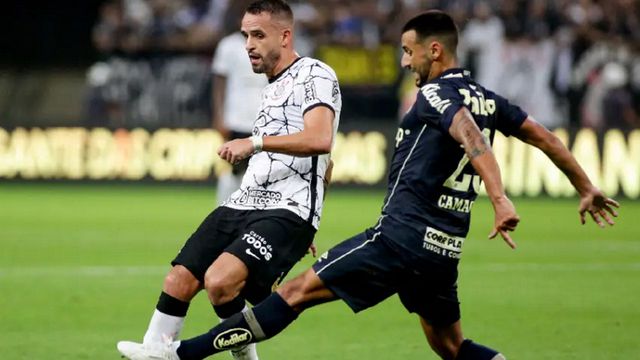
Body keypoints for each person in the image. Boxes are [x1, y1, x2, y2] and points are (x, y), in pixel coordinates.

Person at [128, 10, 620, 360]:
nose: (404, 63)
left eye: (408, 53)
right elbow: (546, 136)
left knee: (295, 293)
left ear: (433, 50)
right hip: (443, 248)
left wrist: (499, 195)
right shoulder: (489, 97)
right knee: (450, 347)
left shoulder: (435, 95)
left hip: (398, 237)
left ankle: (180, 356)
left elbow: (469, 136)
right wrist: (584, 185)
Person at [116, 1, 342, 359]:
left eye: (258, 35)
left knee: (220, 281)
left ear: (285, 36)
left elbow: (320, 140)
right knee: (179, 279)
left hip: (286, 208)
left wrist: (254, 145)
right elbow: (326, 165)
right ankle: (155, 352)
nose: (248, 44)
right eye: (245, 36)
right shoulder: (270, 88)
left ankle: (170, 354)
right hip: (244, 200)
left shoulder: (315, 74)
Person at [211, 26, 268, 205]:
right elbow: (219, 83)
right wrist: (219, 115)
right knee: (235, 167)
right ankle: (223, 207)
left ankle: (250, 209)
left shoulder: (269, 43)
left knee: (263, 168)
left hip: (264, 117)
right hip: (237, 116)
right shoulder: (228, 45)